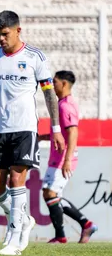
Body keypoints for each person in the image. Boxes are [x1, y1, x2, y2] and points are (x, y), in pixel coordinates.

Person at [0, 10, 65, 255]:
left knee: (16, 180)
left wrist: (55, 129)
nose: (1, 39)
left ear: (18, 30)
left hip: (24, 129)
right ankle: (22, 218)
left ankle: (14, 240)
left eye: (5, 34)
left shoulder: (35, 57)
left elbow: (48, 94)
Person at [39, 70, 98, 244]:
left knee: (50, 193)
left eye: (55, 82)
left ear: (64, 84)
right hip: (57, 158)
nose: (52, 85)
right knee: (51, 195)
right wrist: (42, 137)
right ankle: (85, 224)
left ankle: (61, 236)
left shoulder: (66, 106)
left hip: (63, 159)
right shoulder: (62, 104)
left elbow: (73, 133)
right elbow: (62, 133)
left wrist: (67, 159)